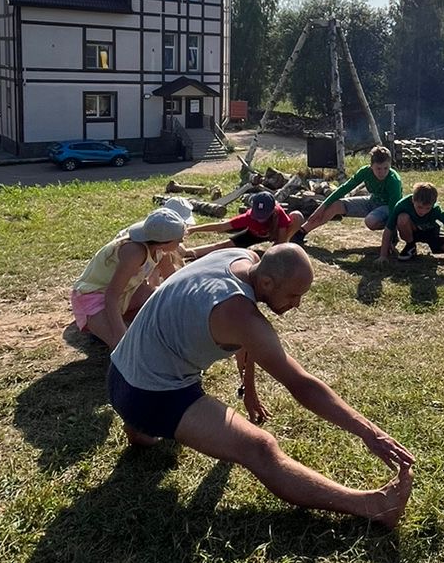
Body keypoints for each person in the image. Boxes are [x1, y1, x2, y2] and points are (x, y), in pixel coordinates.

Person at [107, 243, 414, 525]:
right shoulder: (243, 317)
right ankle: (373, 506)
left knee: (150, 428)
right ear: (267, 283)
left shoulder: (239, 258)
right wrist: (367, 432)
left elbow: (244, 342)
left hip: (118, 374)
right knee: (260, 447)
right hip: (150, 395)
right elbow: (301, 385)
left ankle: (139, 429)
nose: (297, 304)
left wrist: (249, 388)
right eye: (294, 295)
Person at [69, 208, 189, 350]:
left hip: (126, 293)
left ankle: (119, 324)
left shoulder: (160, 251)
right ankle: (103, 326)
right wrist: (120, 334)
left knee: (159, 297)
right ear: (164, 242)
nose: (181, 243)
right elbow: (111, 295)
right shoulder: (134, 253)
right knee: (124, 347)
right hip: (95, 296)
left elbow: (173, 283)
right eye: (179, 240)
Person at [299, 146, 402, 241]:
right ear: (371, 166)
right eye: (378, 168)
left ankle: (392, 232)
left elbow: (394, 209)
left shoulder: (394, 180)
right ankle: (301, 232)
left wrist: (390, 238)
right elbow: (345, 188)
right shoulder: (365, 172)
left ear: (390, 165)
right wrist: (321, 208)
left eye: (386, 168)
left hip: (387, 206)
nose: (382, 172)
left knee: (370, 221)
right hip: (372, 201)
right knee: (335, 205)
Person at [184, 189, 304, 251]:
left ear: (273, 210)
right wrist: (194, 229)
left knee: (297, 216)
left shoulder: (279, 213)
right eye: (258, 216)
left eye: (264, 216)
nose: (261, 219)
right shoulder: (248, 218)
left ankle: (279, 249)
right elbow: (221, 226)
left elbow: (281, 238)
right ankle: (189, 252)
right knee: (223, 245)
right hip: (253, 235)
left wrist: (278, 248)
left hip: (273, 234)